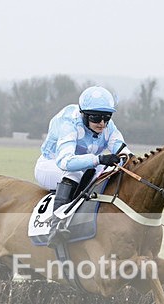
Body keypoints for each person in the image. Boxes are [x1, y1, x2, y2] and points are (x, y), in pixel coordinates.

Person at [35, 85, 132, 245]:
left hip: (85, 167)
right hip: (51, 166)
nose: (102, 123)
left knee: (110, 172)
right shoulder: (69, 123)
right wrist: (99, 159)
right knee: (75, 173)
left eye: (106, 117)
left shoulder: (108, 126)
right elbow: (65, 162)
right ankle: (56, 226)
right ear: (84, 115)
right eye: (96, 118)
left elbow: (124, 153)